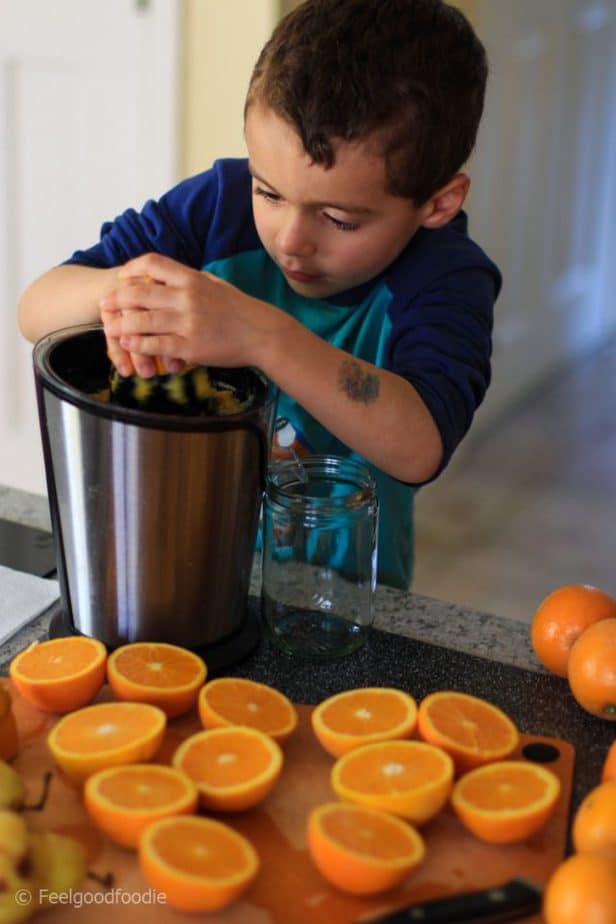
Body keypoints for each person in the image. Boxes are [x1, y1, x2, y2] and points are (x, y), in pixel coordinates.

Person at [18, 0, 502, 590]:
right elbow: (37, 308)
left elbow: (419, 445)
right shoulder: (216, 207)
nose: (291, 240)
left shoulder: (446, 277)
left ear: (437, 203)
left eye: (339, 218)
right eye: (268, 193)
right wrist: (133, 297)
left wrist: (258, 333)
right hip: (177, 569)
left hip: (335, 603)